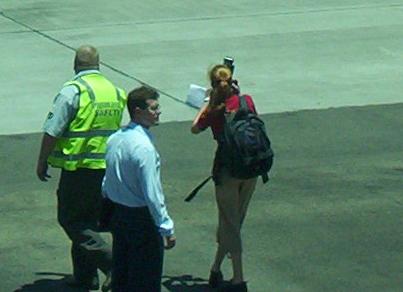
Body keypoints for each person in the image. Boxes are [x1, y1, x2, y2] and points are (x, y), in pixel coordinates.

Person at [36, 46, 127, 291]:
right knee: (87, 221)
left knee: (70, 219)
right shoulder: (115, 91)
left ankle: (113, 265)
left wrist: (42, 160)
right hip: (106, 166)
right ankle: (85, 276)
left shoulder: (74, 90)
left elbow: (52, 129)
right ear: (99, 65)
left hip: (80, 167)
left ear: (75, 64)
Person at [191, 63, 259, 290]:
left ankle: (238, 278)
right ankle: (215, 268)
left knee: (230, 224)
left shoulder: (214, 110)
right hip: (250, 167)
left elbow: (195, 128)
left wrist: (206, 103)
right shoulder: (246, 100)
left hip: (227, 169)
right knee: (234, 220)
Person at [102, 85, 174, 292]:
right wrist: (166, 226)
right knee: (145, 278)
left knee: (122, 272)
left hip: (119, 215)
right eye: (154, 108)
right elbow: (153, 194)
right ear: (138, 112)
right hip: (141, 220)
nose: (158, 112)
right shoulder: (143, 148)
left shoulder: (115, 138)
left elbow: (107, 181)